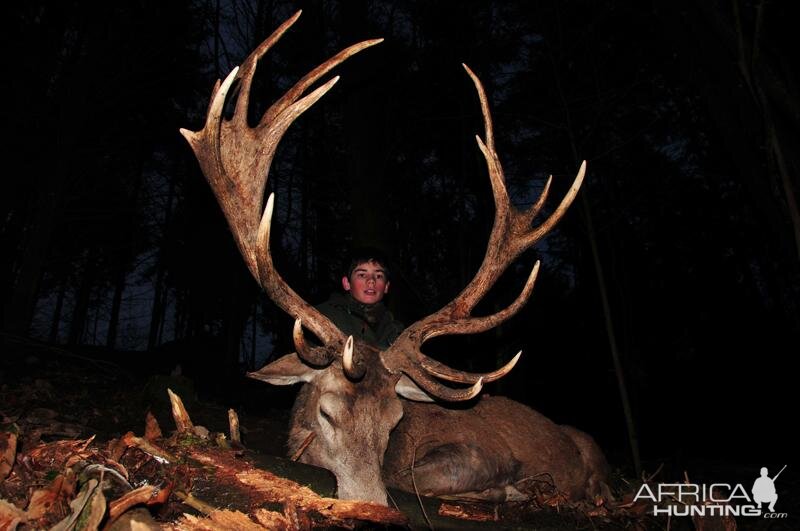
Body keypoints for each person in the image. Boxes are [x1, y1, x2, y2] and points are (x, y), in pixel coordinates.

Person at [316, 247, 404, 349]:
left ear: (386, 286)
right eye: (362, 275)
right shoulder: (322, 316)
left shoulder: (398, 332)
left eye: (379, 276)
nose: (371, 280)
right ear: (347, 283)